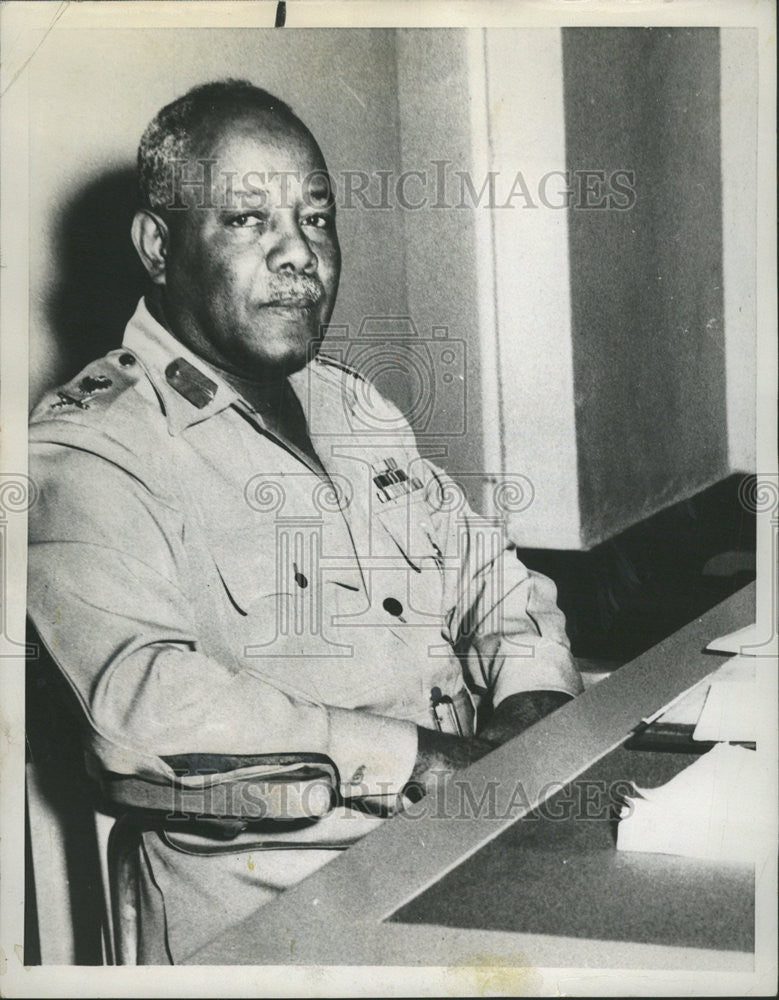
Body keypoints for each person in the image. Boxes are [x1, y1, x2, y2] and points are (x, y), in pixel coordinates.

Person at [27, 79, 583, 964]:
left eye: (317, 218)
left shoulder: (351, 407)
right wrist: (421, 763)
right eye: (248, 221)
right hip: (277, 926)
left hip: (468, 859)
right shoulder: (91, 451)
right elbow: (141, 707)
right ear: (157, 246)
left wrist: (531, 704)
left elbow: (492, 577)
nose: (299, 254)